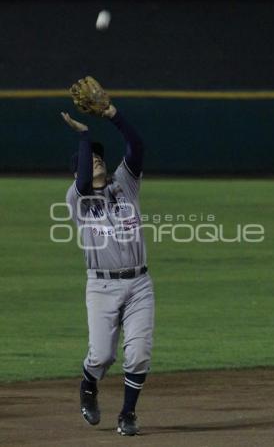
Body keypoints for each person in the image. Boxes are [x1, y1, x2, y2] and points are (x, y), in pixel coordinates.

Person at [61, 104, 155, 436]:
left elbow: (137, 147)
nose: (97, 160)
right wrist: (85, 136)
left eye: (100, 156)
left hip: (139, 283)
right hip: (101, 288)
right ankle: (88, 384)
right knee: (101, 356)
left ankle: (128, 414)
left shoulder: (125, 184)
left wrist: (113, 115)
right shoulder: (77, 199)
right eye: (90, 158)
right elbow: (85, 177)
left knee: (139, 353)